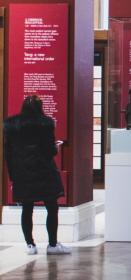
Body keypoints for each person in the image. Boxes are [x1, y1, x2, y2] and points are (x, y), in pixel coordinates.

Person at [3, 95, 70, 255]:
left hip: (22, 173)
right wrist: (56, 148)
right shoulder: (45, 124)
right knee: (52, 207)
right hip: (44, 171)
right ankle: (52, 244)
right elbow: (49, 151)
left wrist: (13, 176)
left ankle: (30, 245)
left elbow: (8, 153)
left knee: (27, 208)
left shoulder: (11, 125)